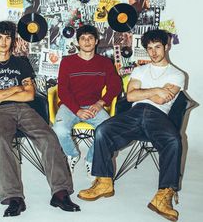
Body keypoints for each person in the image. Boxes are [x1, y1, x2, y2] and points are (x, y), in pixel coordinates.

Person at [0, 21, 80, 217]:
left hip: (25, 109)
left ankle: (60, 192)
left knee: (49, 137)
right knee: (2, 140)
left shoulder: (21, 63)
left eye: (7, 37)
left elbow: (29, 95)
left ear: (12, 40)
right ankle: (14, 198)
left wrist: (2, 94)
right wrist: (16, 89)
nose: (4, 42)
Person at [78, 29, 185, 222]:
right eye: (149, 48)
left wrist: (146, 92)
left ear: (166, 47)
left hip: (158, 116)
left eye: (158, 47)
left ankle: (164, 195)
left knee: (173, 140)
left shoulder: (177, 74)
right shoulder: (139, 70)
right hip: (135, 113)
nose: (153, 52)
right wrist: (157, 90)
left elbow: (161, 101)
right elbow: (131, 96)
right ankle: (104, 182)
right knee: (103, 130)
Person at [53, 25, 122, 176]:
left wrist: (100, 103)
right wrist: (77, 110)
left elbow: (115, 86)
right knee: (59, 130)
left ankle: (91, 159)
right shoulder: (67, 62)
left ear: (96, 41)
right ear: (78, 42)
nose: (87, 41)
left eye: (90, 38)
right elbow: (63, 91)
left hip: (94, 106)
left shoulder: (105, 63)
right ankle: (72, 154)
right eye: (83, 38)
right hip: (70, 107)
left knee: (109, 131)